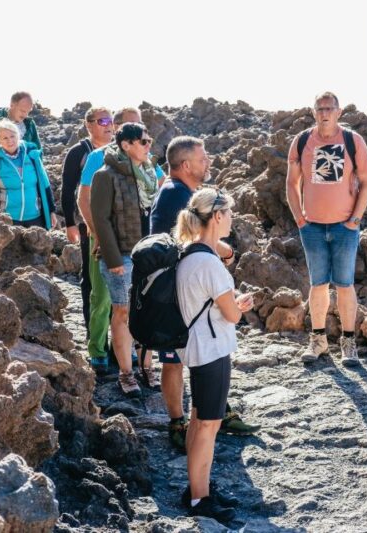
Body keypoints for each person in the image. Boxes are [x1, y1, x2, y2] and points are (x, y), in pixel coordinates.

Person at [149, 136, 260, 452]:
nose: (207, 162)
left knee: (184, 361)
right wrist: (220, 252)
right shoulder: (175, 196)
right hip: (175, 300)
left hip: (179, 294)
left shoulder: (181, 193)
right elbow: (183, 240)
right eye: (202, 158)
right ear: (185, 165)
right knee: (173, 362)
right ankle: (180, 423)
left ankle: (213, 412)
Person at [174, 188, 252, 522]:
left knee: (198, 420)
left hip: (197, 346)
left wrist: (231, 305)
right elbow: (231, 315)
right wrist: (240, 306)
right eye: (230, 213)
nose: (232, 218)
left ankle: (197, 487)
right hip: (211, 349)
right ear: (216, 216)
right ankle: (199, 499)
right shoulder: (210, 263)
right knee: (209, 424)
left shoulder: (189, 254)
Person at [285, 91, 367, 366]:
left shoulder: (352, 141)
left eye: (329, 108)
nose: (324, 113)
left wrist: (355, 220)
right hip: (311, 227)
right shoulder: (301, 142)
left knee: (345, 284)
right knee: (318, 284)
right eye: (320, 108)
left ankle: (348, 343)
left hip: (344, 227)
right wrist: (300, 219)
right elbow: (291, 183)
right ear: (314, 111)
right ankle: (319, 340)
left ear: (339, 112)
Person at [78, 107, 163, 373]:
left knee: (140, 309)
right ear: (124, 139)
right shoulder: (100, 164)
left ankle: (136, 360)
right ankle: (100, 351)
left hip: (144, 252)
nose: (148, 144)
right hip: (114, 248)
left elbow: (159, 197)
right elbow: (88, 202)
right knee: (105, 301)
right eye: (143, 139)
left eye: (148, 138)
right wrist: (101, 241)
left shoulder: (149, 170)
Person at [60, 106, 114, 334]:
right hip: (87, 223)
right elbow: (68, 189)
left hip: (115, 224)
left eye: (111, 120)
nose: (109, 125)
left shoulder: (118, 151)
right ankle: (93, 329)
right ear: (88, 124)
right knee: (92, 278)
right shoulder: (79, 152)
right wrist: (70, 224)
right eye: (102, 121)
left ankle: (114, 330)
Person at [0, 119, 56, 229]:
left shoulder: (32, 156)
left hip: (35, 218)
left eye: (12, 136)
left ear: (18, 136)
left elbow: (45, 185)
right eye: (5, 138)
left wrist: (51, 211)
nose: (9, 140)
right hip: (8, 220)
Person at [0, 91, 41, 167]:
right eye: (22, 111)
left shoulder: (30, 124)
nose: (25, 115)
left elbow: (38, 152)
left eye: (28, 112)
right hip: (2, 176)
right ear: (12, 105)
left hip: (27, 176)